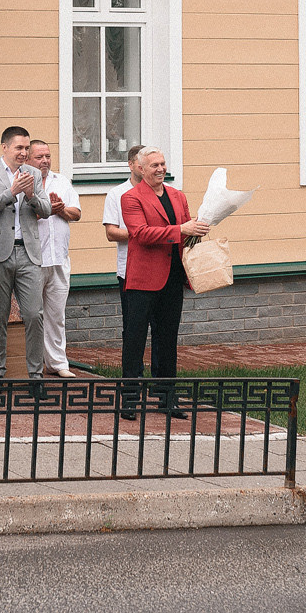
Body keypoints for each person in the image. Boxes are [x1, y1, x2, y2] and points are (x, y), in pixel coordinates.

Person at [118, 147, 209, 420]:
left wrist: (200, 228)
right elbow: (142, 234)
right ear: (141, 169)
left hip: (172, 278)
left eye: (163, 164)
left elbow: (186, 230)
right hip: (143, 279)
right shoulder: (130, 198)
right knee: (134, 340)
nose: (160, 169)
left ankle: (167, 399)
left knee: (167, 341)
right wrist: (181, 229)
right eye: (154, 165)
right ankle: (130, 401)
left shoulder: (177, 196)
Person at [0, 126, 52, 384]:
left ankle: (36, 377)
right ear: (5, 148)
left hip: (28, 252)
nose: (24, 153)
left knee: (34, 315)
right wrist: (10, 193)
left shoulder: (34, 173)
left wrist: (31, 195)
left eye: (27, 148)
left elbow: (46, 210)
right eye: (19, 148)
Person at [28, 138, 83, 378]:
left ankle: (58, 363)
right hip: (32, 259)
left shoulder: (61, 181)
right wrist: (44, 210)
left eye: (48, 156)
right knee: (32, 314)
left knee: (56, 313)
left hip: (59, 257)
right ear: (28, 158)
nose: (45, 161)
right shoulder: (23, 183)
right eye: (39, 157)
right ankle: (33, 363)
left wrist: (59, 209)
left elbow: (76, 213)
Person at [100, 145, 145, 286]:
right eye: (141, 163)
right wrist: (145, 234)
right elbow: (111, 233)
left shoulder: (166, 191)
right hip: (130, 269)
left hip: (161, 269)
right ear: (130, 165)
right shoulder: (116, 194)